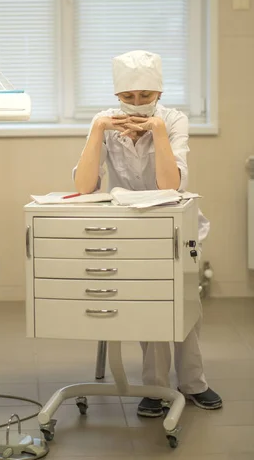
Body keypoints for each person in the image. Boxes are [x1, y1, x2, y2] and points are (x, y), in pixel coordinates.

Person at [73, 50, 222, 418]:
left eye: (145, 97)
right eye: (128, 97)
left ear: (159, 93)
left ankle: (193, 383)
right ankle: (154, 386)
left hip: (176, 222)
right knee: (148, 302)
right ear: (117, 96)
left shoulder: (173, 120)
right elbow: (83, 186)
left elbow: (170, 185)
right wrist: (97, 132)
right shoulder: (104, 122)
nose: (137, 105)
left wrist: (156, 131)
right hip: (132, 228)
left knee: (186, 305)